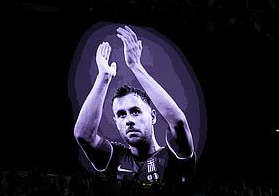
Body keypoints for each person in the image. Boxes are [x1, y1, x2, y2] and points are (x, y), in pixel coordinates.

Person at [74, 25, 195, 183]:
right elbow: (83, 135)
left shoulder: (174, 154)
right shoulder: (116, 157)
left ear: (153, 116)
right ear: (117, 123)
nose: (129, 120)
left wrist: (136, 67)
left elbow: (178, 121)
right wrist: (103, 77)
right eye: (121, 114)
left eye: (135, 111)